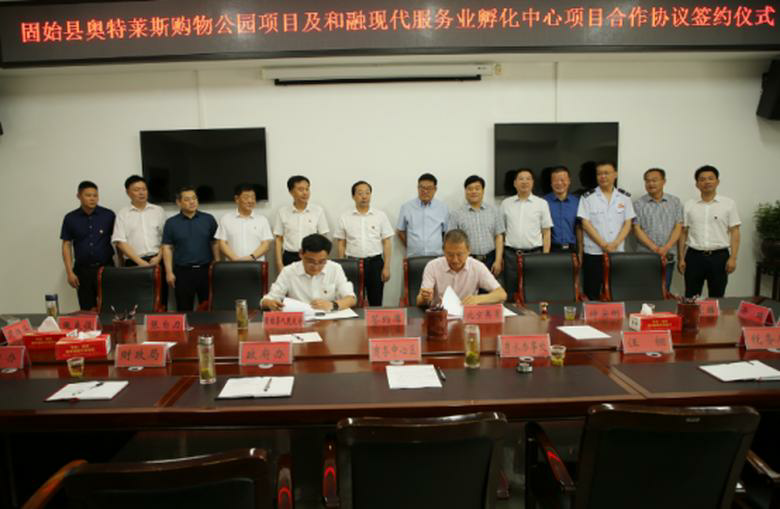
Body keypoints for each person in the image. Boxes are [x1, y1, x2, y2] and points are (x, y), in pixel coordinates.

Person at [678, 165, 741, 298]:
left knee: (717, 296)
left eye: (710, 178)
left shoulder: (729, 204)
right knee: (691, 297)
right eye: (702, 179)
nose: (707, 182)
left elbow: (735, 231)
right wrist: (681, 258)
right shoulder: (689, 205)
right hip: (694, 256)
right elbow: (684, 232)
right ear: (697, 184)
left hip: (719, 256)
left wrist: (733, 258)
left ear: (717, 182)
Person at [577, 162, 636, 300]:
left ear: (615, 174)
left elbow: (628, 223)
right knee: (592, 292)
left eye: (606, 173)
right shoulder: (588, 197)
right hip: (594, 252)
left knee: (616, 291)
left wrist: (615, 243)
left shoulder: (624, 197)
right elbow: (585, 223)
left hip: (617, 252)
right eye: (599, 174)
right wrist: (603, 244)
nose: (602, 176)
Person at [334, 181, 394, 306]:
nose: (364, 196)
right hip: (353, 264)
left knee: (376, 301)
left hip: (375, 264)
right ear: (353, 196)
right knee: (353, 301)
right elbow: (341, 243)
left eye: (367, 193)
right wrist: (343, 265)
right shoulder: (345, 217)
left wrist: (386, 267)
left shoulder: (380, 216)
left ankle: (375, 319)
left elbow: (386, 242)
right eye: (360, 193)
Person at [111, 175, 168, 306]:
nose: (141, 193)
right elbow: (120, 242)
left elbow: (166, 238)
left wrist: (159, 257)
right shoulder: (123, 214)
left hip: (157, 261)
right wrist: (140, 262)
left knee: (160, 300)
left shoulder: (158, 211)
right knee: (136, 302)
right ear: (128, 192)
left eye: (144, 189)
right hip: (133, 263)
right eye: (136, 190)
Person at [261, 234, 357, 311]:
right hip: (300, 322)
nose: (316, 266)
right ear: (301, 254)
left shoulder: (335, 268)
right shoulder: (289, 271)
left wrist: (333, 305)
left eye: (321, 262)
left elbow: (351, 299)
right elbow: (266, 300)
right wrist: (270, 303)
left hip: (328, 321)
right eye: (311, 261)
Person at [60, 181, 116, 310]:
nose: (92, 198)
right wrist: (69, 272)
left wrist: (120, 265)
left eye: (95, 195)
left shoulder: (108, 215)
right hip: (83, 270)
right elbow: (66, 244)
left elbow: (118, 241)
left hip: (106, 269)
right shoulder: (70, 218)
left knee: (109, 308)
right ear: (78, 196)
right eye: (88, 195)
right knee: (86, 309)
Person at [161, 186, 218, 311]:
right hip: (182, 272)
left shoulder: (208, 219)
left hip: (206, 270)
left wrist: (217, 264)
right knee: (184, 308)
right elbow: (167, 247)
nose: (192, 202)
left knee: (209, 309)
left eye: (194, 198)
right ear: (178, 202)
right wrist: (169, 272)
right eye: (187, 199)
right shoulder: (171, 223)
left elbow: (215, 243)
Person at [501, 168, 553, 301]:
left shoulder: (541, 204)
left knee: (534, 291)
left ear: (533, 183)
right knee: (511, 292)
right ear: (515, 183)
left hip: (534, 254)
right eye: (521, 179)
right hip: (511, 255)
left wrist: (545, 257)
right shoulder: (506, 203)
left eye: (528, 179)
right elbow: (501, 232)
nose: (524, 182)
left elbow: (546, 232)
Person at [416, 229, 507, 307]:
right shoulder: (432, 266)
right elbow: (419, 301)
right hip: (440, 315)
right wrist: (424, 298)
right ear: (444, 251)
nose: (455, 260)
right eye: (450, 255)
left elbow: (501, 294)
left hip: (467, 315)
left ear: (469, 250)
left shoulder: (477, 267)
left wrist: (478, 299)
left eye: (460, 254)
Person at [633, 168, 683, 291]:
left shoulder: (675, 202)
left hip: (668, 255)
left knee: (664, 291)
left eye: (654, 180)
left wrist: (666, 248)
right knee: (644, 291)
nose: (650, 184)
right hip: (645, 256)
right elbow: (637, 229)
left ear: (664, 181)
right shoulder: (638, 204)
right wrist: (655, 248)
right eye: (647, 181)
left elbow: (678, 227)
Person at [447, 175, 505, 276]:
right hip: (466, 260)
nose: (473, 191)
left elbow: (499, 236)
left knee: (488, 286)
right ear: (465, 191)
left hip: (490, 259)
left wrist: (498, 260)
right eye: (470, 189)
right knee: (468, 286)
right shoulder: (456, 214)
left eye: (477, 188)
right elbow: (452, 240)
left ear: (483, 191)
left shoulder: (494, 211)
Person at [273, 175, 329, 274]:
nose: (305, 193)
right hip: (289, 257)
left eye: (307, 189)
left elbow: (323, 237)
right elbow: (278, 239)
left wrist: (322, 261)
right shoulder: (282, 212)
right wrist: (279, 263)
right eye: (300, 189)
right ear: (291, 192)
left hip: (312, 257)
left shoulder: (318, 211)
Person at [216, 183, 273, 262]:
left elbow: (266, 244)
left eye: (253, 197)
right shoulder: (226, 219)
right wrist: (235, 259)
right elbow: (222, 243)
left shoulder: (262, 220)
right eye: (246, 197)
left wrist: (250, 258)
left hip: (256, 264)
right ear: (237, 199)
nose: (250, 201)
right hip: (232, 265)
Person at [396, 173, 449, 257]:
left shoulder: (443, 208)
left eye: (429, 188)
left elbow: (446, 232)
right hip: (414, 256)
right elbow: (400, 231)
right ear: (418, 188)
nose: (425, 191)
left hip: (437, 255)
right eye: (422, 188)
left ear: (435, 189)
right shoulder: (407, 207)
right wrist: (410, 246)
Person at [543, 166, 583, 257]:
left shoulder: (577, 202)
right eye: (555, 180)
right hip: (550, 250)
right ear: (551, 183)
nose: (559, 183)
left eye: (562, 180)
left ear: (569, 181)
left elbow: (579, 228)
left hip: (572, 250)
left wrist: (580, 253)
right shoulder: (543, 202)